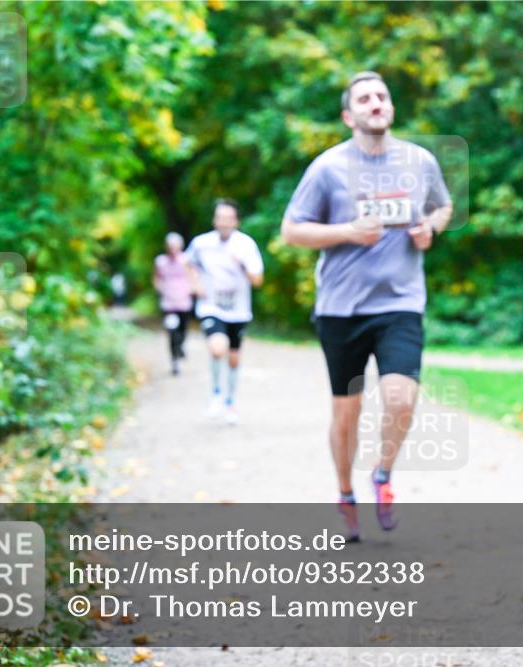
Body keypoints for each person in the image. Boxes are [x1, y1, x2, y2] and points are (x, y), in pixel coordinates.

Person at [281, 71, 454, 541]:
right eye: (364, 98)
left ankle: (382, 474)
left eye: (381, 96)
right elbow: (292, 231)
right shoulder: (327, 168)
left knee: (401, 397)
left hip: (400, 303)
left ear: (391, 107)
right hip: (341, 307)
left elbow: (442, 207)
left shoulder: (419, 161)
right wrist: (347, 232)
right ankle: (344, 493)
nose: (375, 103)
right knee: (347, 412)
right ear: (348, 115)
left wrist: (430, 229)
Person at [187, 199, 264, 425]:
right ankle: (216, 393)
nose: (224, 222)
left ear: (236, 221)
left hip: (238, 311)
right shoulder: (201, 243)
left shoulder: (246, 245)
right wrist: (195, 284)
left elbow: (258, 280)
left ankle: (230, 401)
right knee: (217, 348)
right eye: (220, 217)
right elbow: (187, 263)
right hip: (211, 307)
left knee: (233, 358)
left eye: (228, 218)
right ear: (214, 220)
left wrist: (241, 264)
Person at [153, 232, 197, 376]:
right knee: (172, 331)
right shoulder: (161, 261)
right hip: (168, 303)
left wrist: (193, 289)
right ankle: (174, 360)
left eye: (175, 246)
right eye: (170, 246)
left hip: (184, 301)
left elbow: (193, 276)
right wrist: (160, 289)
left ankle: (180, 347)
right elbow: (156, 278)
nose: (173, 249)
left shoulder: (186, 260)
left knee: (183, 330)